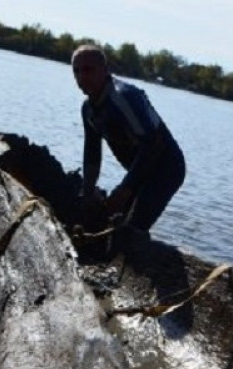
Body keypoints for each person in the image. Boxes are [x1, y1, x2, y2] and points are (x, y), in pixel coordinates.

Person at [71, 44, 186, 235]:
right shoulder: (88, 110)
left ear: (105, 70)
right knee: (106, 222)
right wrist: (88, 193)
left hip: (167, 169)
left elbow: (152, 144)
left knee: (131, 229)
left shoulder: (123, 97)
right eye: (76, 71)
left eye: (88, 70)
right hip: (139, 170)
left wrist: (125, 189)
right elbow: (92, 153)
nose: (82, 77)